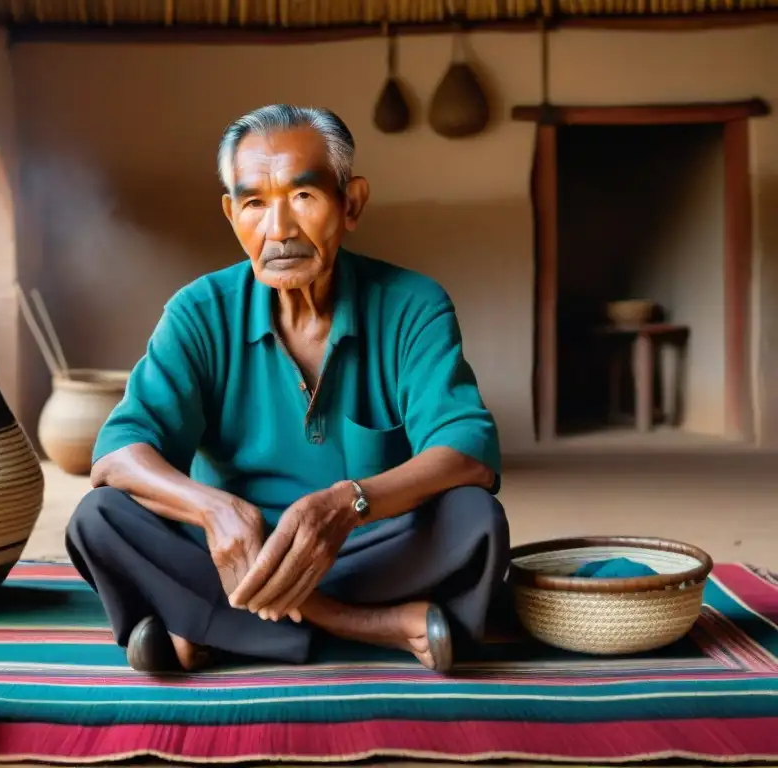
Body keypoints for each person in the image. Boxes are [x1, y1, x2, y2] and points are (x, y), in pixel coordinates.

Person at [66, 104, 509, 675]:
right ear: (232, 214)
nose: (279, 230)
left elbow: (469, 453)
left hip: (365, 546)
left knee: (474, 519)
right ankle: (368, 626)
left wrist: (347, 504)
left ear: (351, 203)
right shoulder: (199, 312)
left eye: (303, 197)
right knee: (98, 517)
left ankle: (205, 628)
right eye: (254, 203)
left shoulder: (413, 305)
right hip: (228, 555)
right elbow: (118, 453)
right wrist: (213, 511)